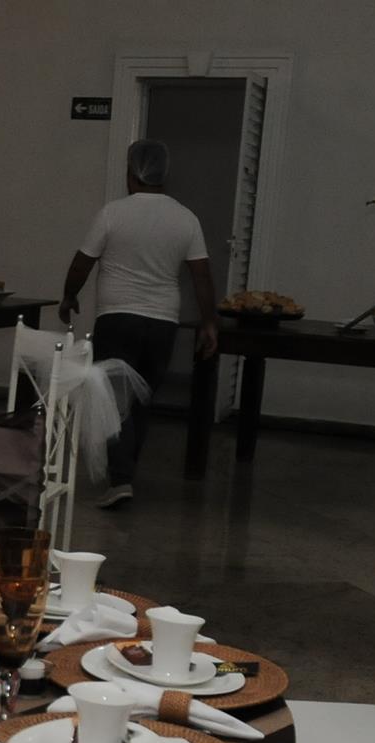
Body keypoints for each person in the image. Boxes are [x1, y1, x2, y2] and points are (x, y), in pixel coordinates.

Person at [57, 138, 219, 509]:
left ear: (131, 174)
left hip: (117, 319)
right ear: (164, 175)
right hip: (163, 323)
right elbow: (201, 276)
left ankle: (121, 479)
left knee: (113, 399)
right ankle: (125, 473)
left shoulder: (112, 214)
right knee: (141, 399)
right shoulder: (186, 219)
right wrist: (209, 322)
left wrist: (69, 296)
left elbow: (82, 262)